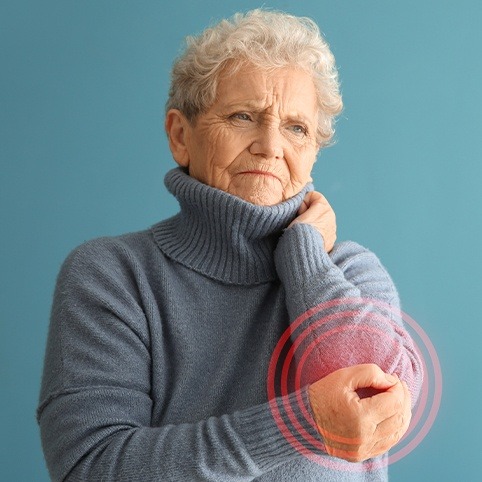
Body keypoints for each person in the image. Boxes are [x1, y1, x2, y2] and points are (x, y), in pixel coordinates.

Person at [37, 9, 422, 481]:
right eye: (243, 116)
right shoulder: (112, 275)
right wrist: (298, 424)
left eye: (296, 128)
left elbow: (375, 406)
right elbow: (91, 468)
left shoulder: (350, 270)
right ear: (181, 136)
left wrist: (303, 256)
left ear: (313, 152)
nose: (270, 145)